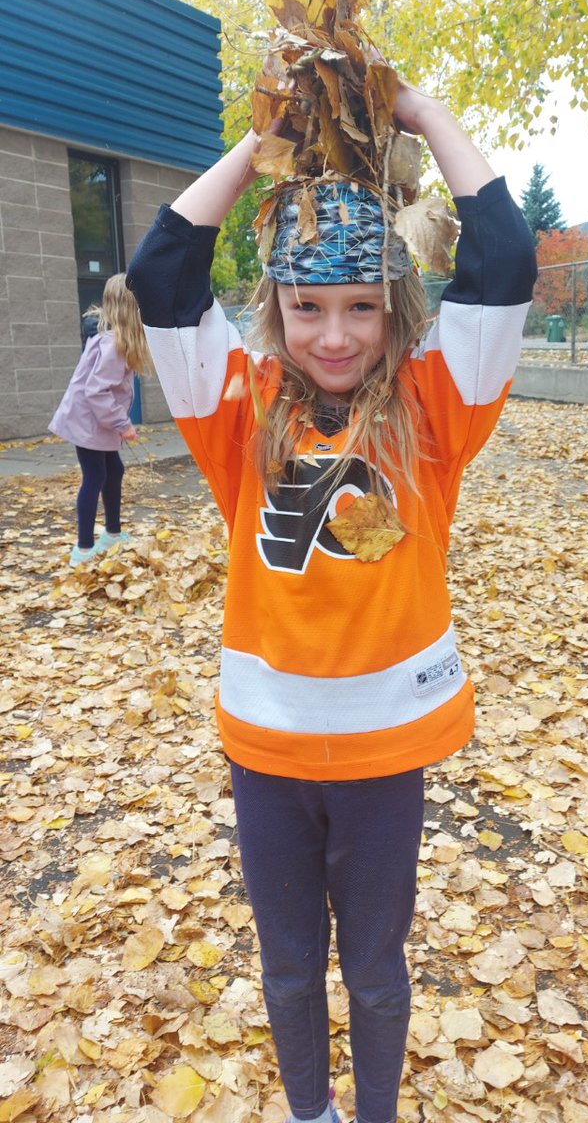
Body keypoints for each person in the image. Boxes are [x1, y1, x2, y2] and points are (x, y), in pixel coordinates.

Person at [126, 80, 537, 1123]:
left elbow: (501, 260)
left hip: (385, 756)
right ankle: (309, 1111)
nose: (336, 335)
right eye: (308, 308)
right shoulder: (237, 406)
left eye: (361, 306)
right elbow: (162, 274)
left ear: (394, 310)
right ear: (276, 310)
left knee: (378, 972)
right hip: (266, 753)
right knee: (288, 969)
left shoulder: (437, 408)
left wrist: (425, 114)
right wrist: (259, 145)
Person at [49, 272, 151, 568]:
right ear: (132, 308)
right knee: (94, 478)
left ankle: (112, 534)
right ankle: (83, 549)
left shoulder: (112, 340)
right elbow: (96, 391)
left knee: (113, 470)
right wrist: (122, 423)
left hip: (94, 423)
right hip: (88, 424)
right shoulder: (113, 345)